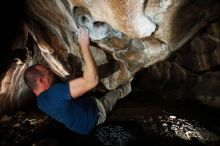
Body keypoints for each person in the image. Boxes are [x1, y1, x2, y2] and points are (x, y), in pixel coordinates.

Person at [23, 27, 131, 135]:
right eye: (49, 73)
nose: (52, 73)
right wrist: (84, 45)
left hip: (81, 128)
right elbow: (92, 81)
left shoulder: (40, 102)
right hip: (96, 115)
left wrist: (74, 66)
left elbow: (66, 88)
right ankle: (130, 85)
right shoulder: (54, 93)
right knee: (116, 93)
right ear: (42, 80)